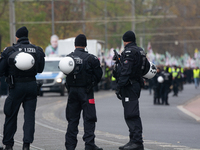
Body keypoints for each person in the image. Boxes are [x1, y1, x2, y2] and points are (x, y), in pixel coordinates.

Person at [0, 26, 45, 150]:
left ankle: (8, 145)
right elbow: (40, 69)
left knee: (10, 114)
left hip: (16, 87)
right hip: (31, 86)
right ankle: (26, 145)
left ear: (17, 37)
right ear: (27, 36)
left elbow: (1, 70)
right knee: (29, 116)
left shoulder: (9, 50)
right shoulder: (37, 50)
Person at [64, 34, 103, 150]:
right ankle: (89, 145)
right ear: (85, 45)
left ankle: (70, 146)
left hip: (72, 93)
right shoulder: (91, 59)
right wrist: (92, 84)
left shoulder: (68, 58)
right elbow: (99, 75)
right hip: (87, 92)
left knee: (72, 120)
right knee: (89, 118)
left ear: (75, 44)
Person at [113, 30, 145, 150]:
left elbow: (126, 71)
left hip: (129, 86)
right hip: (136, 84)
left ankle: (137, 142)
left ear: (125, 40)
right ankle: (133, 141)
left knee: (131, 114)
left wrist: (119, 87)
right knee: (131, 112)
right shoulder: (140, 50)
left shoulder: (129, 51)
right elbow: (145, 67)